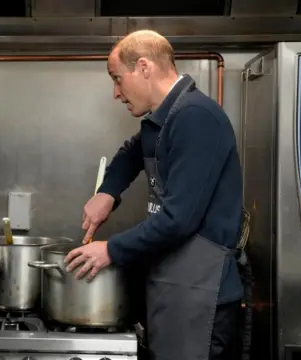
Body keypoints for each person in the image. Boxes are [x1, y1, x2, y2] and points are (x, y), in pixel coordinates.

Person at [64, 30, 246, 360]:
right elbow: (131, 153)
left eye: (118, 79)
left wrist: (112, 250)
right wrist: (107, 192)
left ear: (144, 67)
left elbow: (180, 219)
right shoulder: (165, 118)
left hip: (201, 297)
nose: (116, 93)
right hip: (175, 286)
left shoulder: (196, 118)